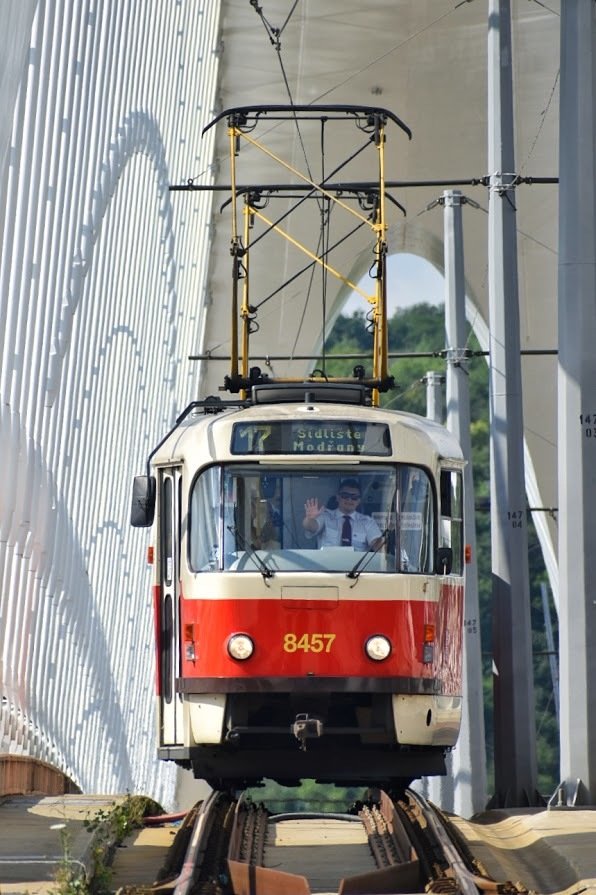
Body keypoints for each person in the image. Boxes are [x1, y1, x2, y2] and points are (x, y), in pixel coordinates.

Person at [302, 478, 384, 551]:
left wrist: (386, 540)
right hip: (326, 566)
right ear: (338, 497)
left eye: (354, 497)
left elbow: (378, 546)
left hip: (358, 567)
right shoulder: (325, 516)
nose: (349, 499)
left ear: (359, 501)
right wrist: (310, 519)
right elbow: (310, 527)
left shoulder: (367, 522)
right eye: (345, 496)